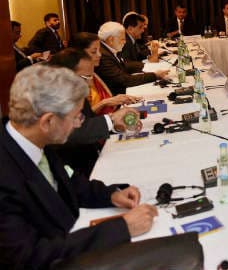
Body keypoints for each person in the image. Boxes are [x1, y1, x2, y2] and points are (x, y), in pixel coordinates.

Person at [0, 64, 158, 269]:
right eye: (77, 117)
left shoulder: (33, 138)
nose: (78, 124)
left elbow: (68, 181)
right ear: (48, 121)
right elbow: (31, 256)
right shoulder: (5, 175)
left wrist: (109, 194)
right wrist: (122, 228)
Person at [48, 49, 140, 175]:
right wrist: (111, 119)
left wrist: (118, 125)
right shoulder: (50, 100)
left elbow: (89, 123)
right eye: (85, 77)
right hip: (75, 169)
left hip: (93, 158)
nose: (89, 83)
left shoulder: (76, 93)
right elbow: (73, 133)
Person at [95, 22, 168, 95]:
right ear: (111, 40)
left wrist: (146, 66)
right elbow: (124, 80)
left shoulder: (109, 49)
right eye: (122, 39)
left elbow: (125, 65)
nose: (124, 42)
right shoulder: (103, 55)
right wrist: (154, 75)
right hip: (117, 96)